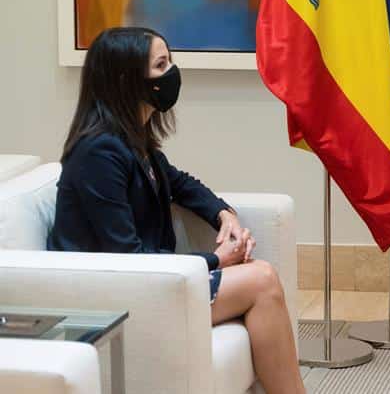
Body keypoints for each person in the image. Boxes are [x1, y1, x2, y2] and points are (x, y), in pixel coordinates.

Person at [48, 27, 306, 394]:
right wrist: (216, 260)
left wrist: (224, 214)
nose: (172, 72)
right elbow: (126, 256)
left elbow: (179, 183)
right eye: (161, 64)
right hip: (112, 295)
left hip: (147, 281)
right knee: (261, 280)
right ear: (127, 78)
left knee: (259, 277)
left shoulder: (131, 141)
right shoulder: (98, 154)